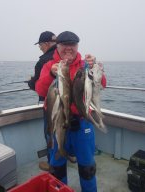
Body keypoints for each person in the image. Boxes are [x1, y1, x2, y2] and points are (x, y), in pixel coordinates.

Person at [35, 31, 106, 192]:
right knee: (57, 166)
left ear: (77, 46)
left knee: (87, 166)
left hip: (82, 123)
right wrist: (51, 74)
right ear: (57, 47)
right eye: (64, 45)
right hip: (59, 121)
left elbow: (102, 83)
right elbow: (40, 89)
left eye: (72, 45)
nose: (68, 48)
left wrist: (96, 67)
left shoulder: (84, 65)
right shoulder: (49, 65)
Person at [27, 31, 57, 171]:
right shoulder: (62, 56)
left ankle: (52, 164)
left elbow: (39, 87)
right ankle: (71, 155)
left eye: (40, 45)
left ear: (46, 44)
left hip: (50, 104)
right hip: (65, 103)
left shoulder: (43, 61)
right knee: (64, 129)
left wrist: (30, 82)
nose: (39, 48)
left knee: (50, 132)